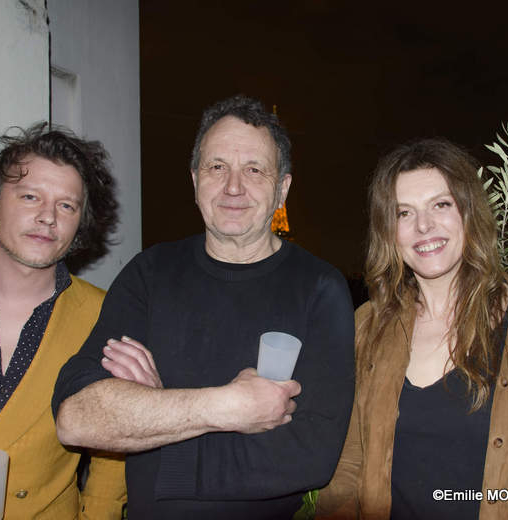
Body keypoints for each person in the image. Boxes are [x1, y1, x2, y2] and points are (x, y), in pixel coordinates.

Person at [52, 94, 355, 519]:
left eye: (254, 169)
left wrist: (156, 420)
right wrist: (228, 406)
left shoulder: (320, 287)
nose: (233, 186)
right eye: (216, 167)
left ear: (282, 189)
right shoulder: (150, 273)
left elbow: (312, 456)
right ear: (195, 180)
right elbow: (77, 417)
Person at [316, 138, 508, 520]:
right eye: (404, 213)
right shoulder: (368, 326)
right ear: (388, 231)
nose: (423, 226)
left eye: (441, 205)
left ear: (469, 212)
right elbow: (348, 467)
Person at [0, 123, 125, 519]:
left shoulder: (106, 316)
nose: (47, 217)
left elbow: (113, 450)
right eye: (30, 196)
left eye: (66, 206)